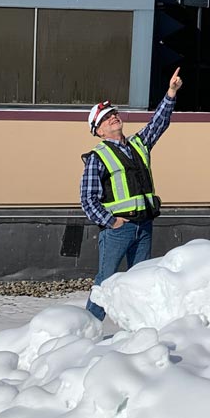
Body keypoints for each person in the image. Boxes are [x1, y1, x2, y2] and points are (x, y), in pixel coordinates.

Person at [81, 67, 183, 319]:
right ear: (99, 130)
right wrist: (111, 221)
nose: (113, 117)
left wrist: (171, 92)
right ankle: (88, 328)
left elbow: (159, 123)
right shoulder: (98, 157)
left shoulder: (139, 144)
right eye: (106, 118)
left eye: (114, 114)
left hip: (144, 225)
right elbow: (88, 199)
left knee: (141, 280)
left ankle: (138, 329)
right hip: (119, 229)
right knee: (106, 281)